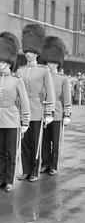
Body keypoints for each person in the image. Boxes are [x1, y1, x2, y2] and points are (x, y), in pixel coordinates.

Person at [0, 32, 30, 193]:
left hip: (12, 120)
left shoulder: (17, 81)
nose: (0, 65)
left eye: (4, 62)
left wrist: (25, 122)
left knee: (11, 152)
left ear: (10, 63)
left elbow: (24, 103)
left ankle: (9, 181)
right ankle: (0, 179)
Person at [16, 24, 55, 183]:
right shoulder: (20, 70)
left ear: (37, 53)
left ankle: (35, 171)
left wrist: (49, 112)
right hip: (22, 111)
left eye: (32, 52)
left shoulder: (44, 71)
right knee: (25, 143)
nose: (29, 54)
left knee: (35, 142)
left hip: (37, 110)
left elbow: (50, 92)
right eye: (27, 52)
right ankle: (26, 170)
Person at [40, 37, 72, 176]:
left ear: (57, 63)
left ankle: (53, 165)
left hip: (57, 113)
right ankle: (45, 163)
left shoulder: (63, 78)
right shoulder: (42, 76)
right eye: (48, 61)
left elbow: (66, 98)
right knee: (45, 140)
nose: (50, 64)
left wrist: (67, 114)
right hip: (43, 110)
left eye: (53, 62)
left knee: (55, 142)